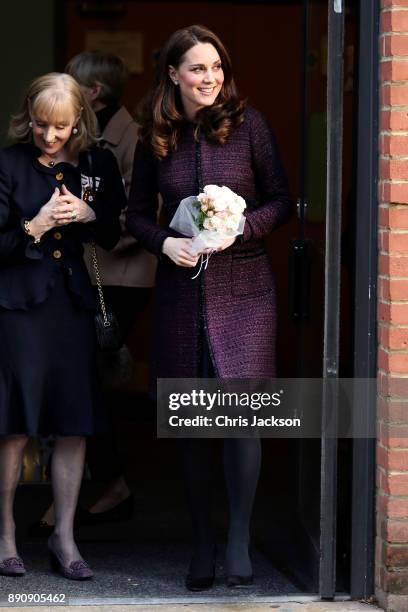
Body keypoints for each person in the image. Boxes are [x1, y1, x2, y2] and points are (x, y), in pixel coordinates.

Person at [126, 25, 293, 590]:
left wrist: (244, 227)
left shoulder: (250, 127)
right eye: (198, 69)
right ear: (173, 74)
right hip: (181, 293)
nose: (211, 78)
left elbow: (281, 200)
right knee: (193, 423)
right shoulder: (158, 135)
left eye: (217, 67)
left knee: (241, 420)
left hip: (246, 291)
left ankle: (239, 537)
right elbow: (137, 216)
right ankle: (201, 542)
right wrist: (162, 242)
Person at [0, 73, 124, 579]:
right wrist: (39, 224)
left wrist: (90, 212)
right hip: (18, 311)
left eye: (59, 127)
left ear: (79, 123)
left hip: (74, 309)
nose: (48, 137)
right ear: (27, 116)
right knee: (13, 427)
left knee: (74, 425)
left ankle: (64, 537)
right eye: (39, 125)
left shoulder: (98, 163)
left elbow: (115, 233)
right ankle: (5, 536)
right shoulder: (7, 163)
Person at [30, 51, 156, 536]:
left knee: (84, 379)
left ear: (93, 93)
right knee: (81, 381)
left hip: (118, 274)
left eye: (71, 82)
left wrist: (87, 226)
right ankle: (97, 484)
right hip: (86, 273)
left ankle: (105, 484)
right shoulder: (80, 136)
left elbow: (133, 213)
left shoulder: (128, 136)